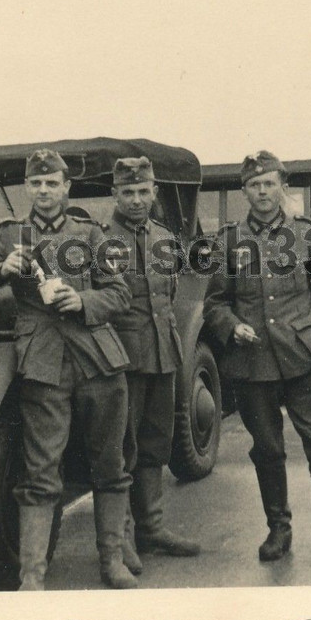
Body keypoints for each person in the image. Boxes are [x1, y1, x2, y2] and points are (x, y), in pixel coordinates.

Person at [0, 148, 137, 591]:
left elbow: (120, 294)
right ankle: (32, 577)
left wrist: (83, 301)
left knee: (110, 463)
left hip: (99, 361)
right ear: (27, 189)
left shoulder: (90, 235)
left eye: (53, 183)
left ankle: (112, 561)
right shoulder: (10, 235)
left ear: (67, 188)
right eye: (37, 184)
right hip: (44, 365)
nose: (45, 191)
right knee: (40, 471)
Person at [203, 150, 311, 569]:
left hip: (304, 362)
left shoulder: (308, 235)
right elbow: (216, 303)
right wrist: (230, 326)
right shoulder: (227, 242)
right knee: (268, 450)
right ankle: (279, 528)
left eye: (270, 184)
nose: (262, 192)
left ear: (282, 188)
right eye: (255, 185)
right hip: (253, 363)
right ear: (244, 191)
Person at [106, 156, 201, 573]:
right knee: (120, 451)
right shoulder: (99, 240)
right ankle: (122, 537)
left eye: (144, 191)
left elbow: (169, 297)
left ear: (155, 193)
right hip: (123, 361)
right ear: (115, 195)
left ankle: (152, 529)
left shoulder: (164, 238)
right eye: (127, 192)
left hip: (163, 355)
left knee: (155, 445)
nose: (136, 200)